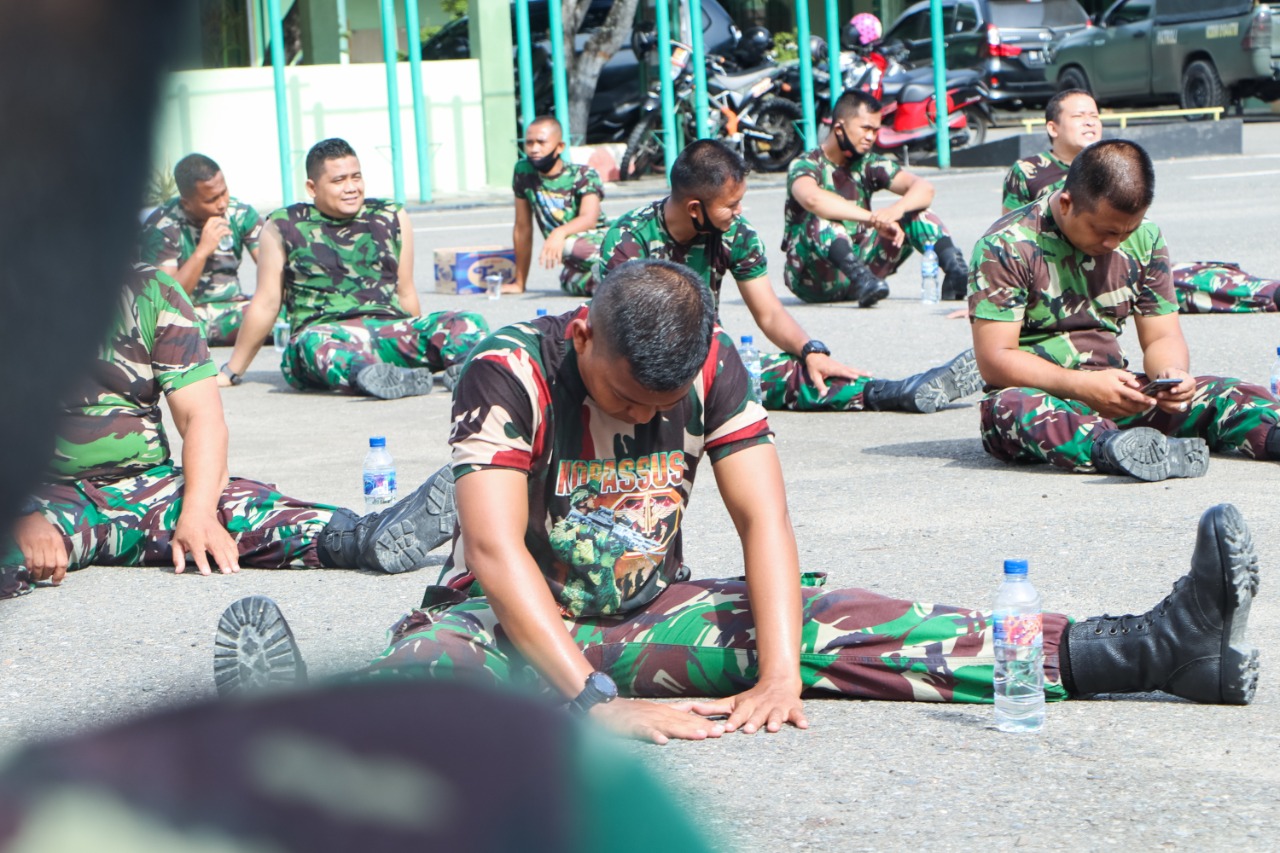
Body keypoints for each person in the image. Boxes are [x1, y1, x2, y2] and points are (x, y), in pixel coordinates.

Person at [216, 261, 1261, 746]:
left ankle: (1156, 649)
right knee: (427, 685)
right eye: (627, 398)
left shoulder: (711, 363)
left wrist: (778, 669)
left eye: (659, 406)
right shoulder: (510, 370)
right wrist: (592, 701)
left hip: (647, 613)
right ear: (583, 336)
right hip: (503, 622)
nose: (643, 417)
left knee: (844, 619)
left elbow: (763, 521)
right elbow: (492, 550)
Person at [0, 264, 458, 599]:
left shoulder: (149, 290)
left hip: (142, 486)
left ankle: (364, 536)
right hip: (38, 493)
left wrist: (197, 513)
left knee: (234, 506)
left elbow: (201, 417)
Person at [971, 139, 1280, 481]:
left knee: (1229, 393)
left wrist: (1171, 377)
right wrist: (1080, 385)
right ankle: (1115, 448)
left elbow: (1162, 335)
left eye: (1126, 231)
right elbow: (995, 359)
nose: (1114, 243)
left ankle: (1272, 437)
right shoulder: (1006, 244)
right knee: (1010, 408)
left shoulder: (1145, 238)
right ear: (1067, 203)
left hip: (1118, 395)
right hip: (1044, 398)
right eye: (1104, 231)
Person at [599, 140, 981, 414]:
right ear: (695, 208)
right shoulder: (629, 241)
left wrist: (810, 350)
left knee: (797, 372)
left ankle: (894, 392)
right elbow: (620, 336)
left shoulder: (735, 233)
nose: (739, 211)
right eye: (731, 205)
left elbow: (768, 312)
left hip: (705, 357)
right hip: (642, 365)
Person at [216, 138, 488, 400]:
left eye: (356, 177)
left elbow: (405, 290)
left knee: (466, 322)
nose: (351, 188)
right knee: (312, 343)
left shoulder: (390, 215)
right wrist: (232, 371)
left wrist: (416, 335)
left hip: (387, 330)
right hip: (326, 335)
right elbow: (266, 303)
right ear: (312, 187)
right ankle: (371, 376)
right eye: (339, 181)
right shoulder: (283, 225)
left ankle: (467, 369)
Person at [1002, 90, 1279, 315]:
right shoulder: (1028, 170)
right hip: (1060, 269)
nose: (1090, 122)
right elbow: (1010, 230)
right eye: (1078, 116)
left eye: (1094, 116)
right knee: (1178, 285)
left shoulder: (1118, 166)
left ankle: (1268, 293)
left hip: (1119, 258)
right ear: (1052, 127)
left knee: (1192, 274)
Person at [782, 89, 970, 305]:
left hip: (865, 273)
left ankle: (956, 272)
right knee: (820, 220)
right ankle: (862, 279)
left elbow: (924, 188)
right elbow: (813, 199)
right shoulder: (806, 164)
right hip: (813, 279)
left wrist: (895, 212)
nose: (871, 137)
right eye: (865, 129)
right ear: (839, 128)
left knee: (916, 211)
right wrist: (873, 219)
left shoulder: (868, 163)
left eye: (875, 130)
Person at [138, 154, 263, 345]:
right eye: (211, 200)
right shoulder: (162, 226)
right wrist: (202, 252)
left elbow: (273, 269)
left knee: (284, 311)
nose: (222, 204)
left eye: (224, 192)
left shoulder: (240, 213)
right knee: (162, 327)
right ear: (186, 203)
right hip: (187, 313)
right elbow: (165, 300)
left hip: (236, 307)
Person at [513, 116, 609, 297]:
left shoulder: (583, 174)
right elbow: (522, 227)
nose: (534, 149)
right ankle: (619, 288)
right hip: (571, 256)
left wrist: (558, 233)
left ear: (560, 147)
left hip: (600, 243)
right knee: (569, 280)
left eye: (541, 142)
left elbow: (589, 218)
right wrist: (519, 283)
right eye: (529, 143)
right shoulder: (523, 171)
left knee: (570, 246)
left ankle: (629, 270)